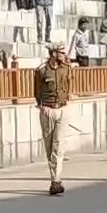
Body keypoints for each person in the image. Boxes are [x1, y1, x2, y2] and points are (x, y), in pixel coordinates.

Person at [35, 43, 73, 195]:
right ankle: (54, 177)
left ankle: (56, 181)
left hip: (62, 108)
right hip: (47, 109)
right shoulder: (42, 70)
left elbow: (69, 85)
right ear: (54, 53)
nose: (64, 55)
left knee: (58, 146)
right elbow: (37, 91)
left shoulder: (67, 68)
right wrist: (42, 106)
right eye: (61, 52)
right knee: (49, 146)